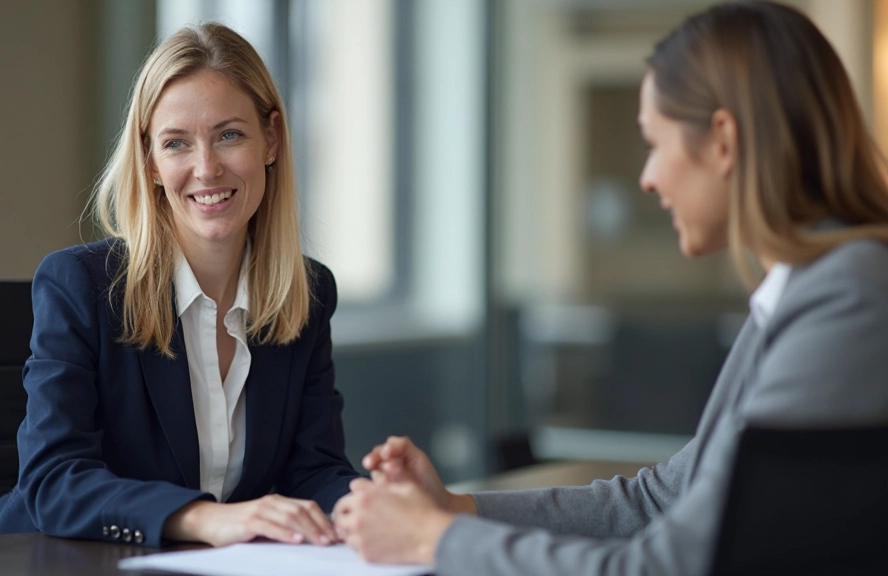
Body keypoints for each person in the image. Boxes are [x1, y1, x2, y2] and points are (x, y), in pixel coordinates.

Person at [331, 2, 888, 574]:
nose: (647, 177)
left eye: (654, 142)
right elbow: (662, 499)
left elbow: (664, 568)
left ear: (723, 140)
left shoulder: (846, 301)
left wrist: (437, 539)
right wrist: (457, 509)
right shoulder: (806, 290)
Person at [0, 23, 357, 548]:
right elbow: (53, 481)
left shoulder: (306, 294)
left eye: (229, 135)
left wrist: (378, 504)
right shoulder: (81, 287)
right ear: (150, 161)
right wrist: (210, 519)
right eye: (177, 143)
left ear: (271, 138)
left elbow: (316, 472)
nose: (206, 168)